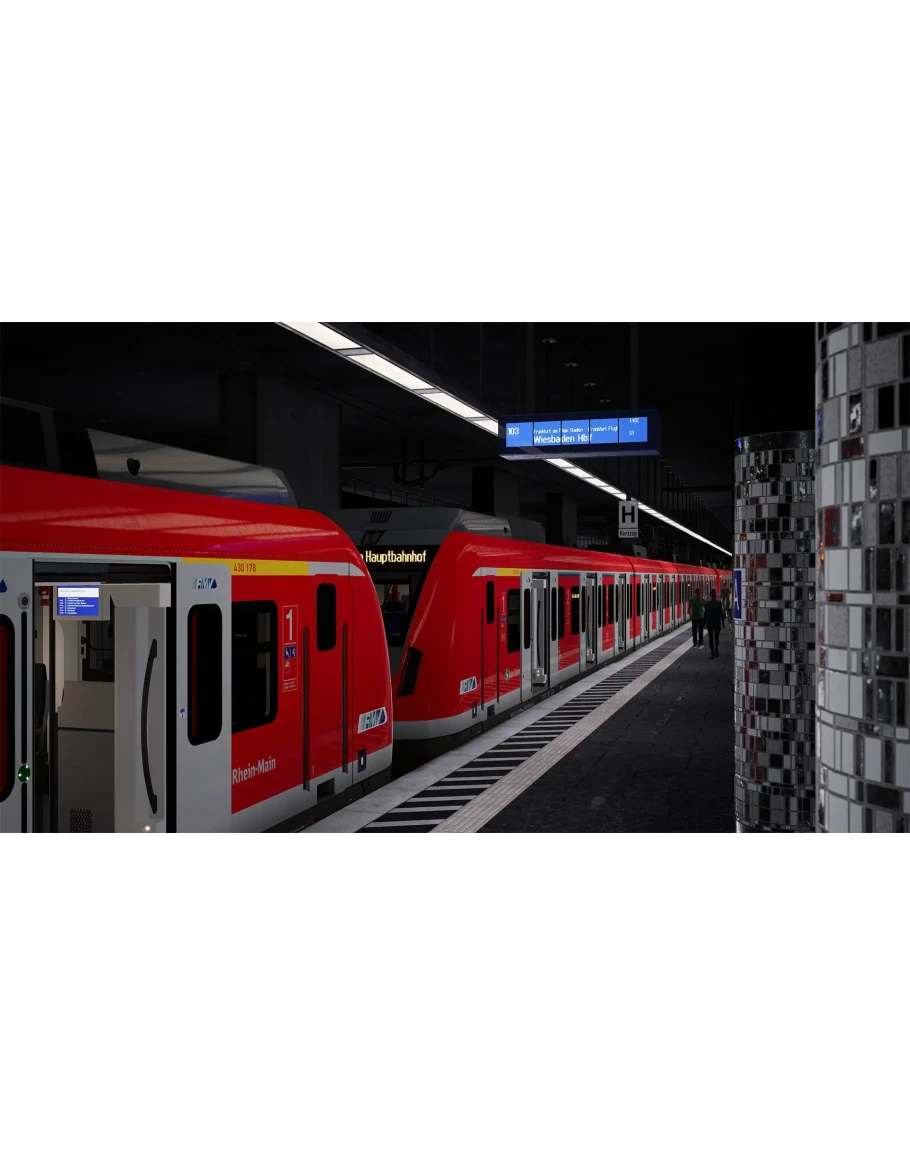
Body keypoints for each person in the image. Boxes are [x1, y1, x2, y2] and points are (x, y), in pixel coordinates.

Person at [704, 588, 726, 658]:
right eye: (713, 595)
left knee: (713, 638)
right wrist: (723, 622)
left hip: (712, 622)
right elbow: (721, 614)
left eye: (714, 595)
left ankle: (714, 651)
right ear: (711, 596)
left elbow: (705, 614)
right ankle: (713, 651)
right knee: (715, 638)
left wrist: (723, 622)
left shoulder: (708, 604)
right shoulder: (718, 604)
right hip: (715, 622)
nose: (713, 596)